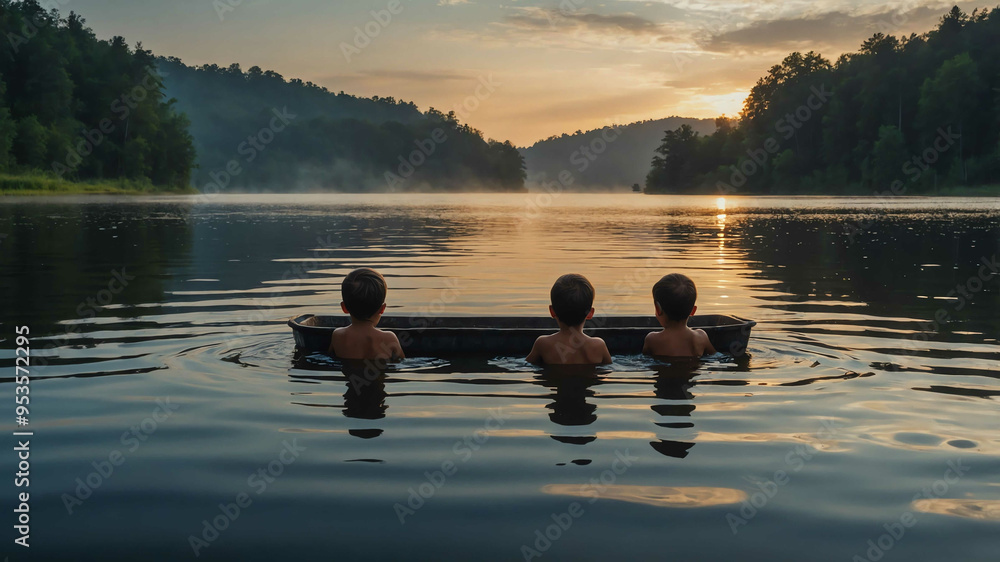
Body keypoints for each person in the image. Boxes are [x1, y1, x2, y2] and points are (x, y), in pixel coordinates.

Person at [527, 274, 612, 365]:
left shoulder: (543, 344)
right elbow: (608, 368)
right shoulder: (598, 346)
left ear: (552, 311)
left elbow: (526, 365)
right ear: (590, 313)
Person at [329, 268, 404, 361]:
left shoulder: (337, 335)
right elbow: (402, 361)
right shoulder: (389, 338)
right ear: (382, 309)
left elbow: (330, 356)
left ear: (344, 308)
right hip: (376, 374)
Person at [643, 273, 716, 357]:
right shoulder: (701, 337)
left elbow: (645, 358)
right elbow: (715, 355)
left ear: (658, 309)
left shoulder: (652, 339)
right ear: (693, 311)